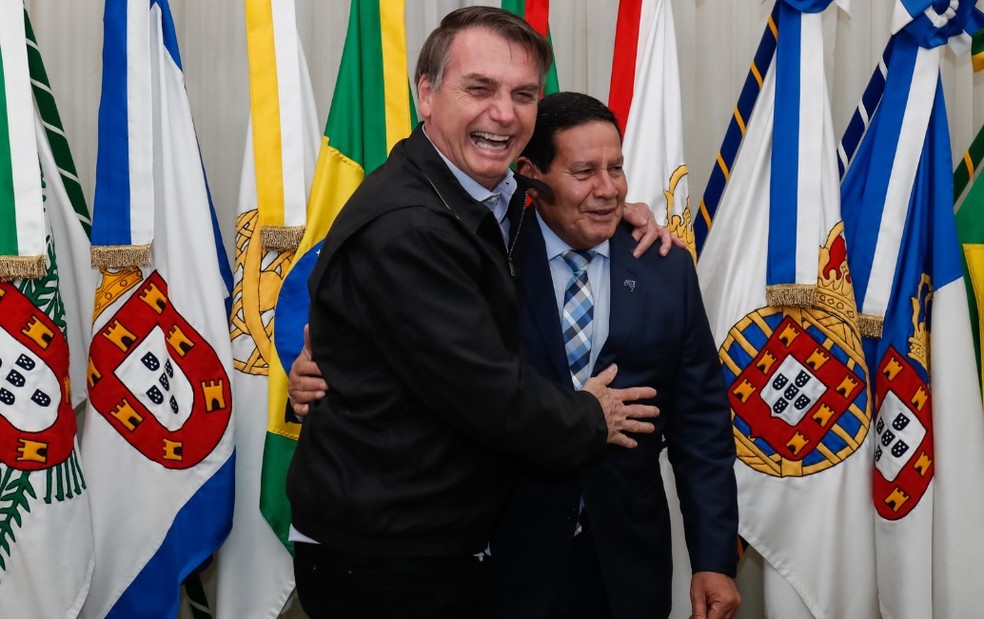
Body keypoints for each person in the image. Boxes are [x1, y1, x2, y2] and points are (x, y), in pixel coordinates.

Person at [286, 8, 670, 618]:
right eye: (480, 88)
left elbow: (547, 198)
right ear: (427, 94)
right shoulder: (409, 227)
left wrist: (611, 212)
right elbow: (488, 392)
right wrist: (591, 416)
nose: (504, 113)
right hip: (387, 561)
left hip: (436, 541)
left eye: (523, 95)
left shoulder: (480, 189)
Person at [488, 92, 740, 619]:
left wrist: (714, 558)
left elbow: (700, 427)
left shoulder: (665, 268)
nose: (608, 189)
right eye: (584, 172)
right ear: (531, 175)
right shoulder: (488, 259)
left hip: (628, 568)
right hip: (506, 563)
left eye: (616, 168)